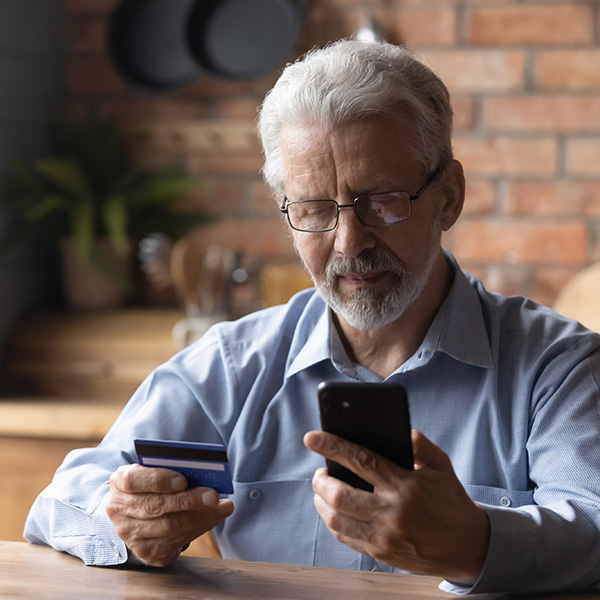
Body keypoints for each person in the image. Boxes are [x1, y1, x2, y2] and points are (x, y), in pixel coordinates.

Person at [24, 39, 600, 595]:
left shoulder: (556, 368)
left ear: (448, 196)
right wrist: (120, 516)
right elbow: (60, 501)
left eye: (382, 201)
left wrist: (475, 543)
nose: (349, 242)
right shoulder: (233, 366)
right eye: (315, 209)